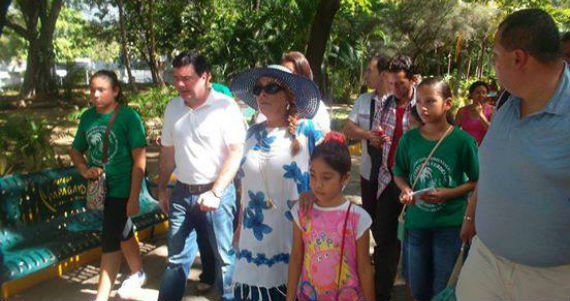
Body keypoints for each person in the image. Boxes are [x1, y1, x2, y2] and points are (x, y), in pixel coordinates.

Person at [457, 9, 570, 301]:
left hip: (550, 280)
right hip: (485, 260)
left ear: (518, 58)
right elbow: (495, 167)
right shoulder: (507, 99)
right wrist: (470, 216)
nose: (493, 65)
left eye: (495, 56)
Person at [157, 52, 246, 301]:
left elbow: (236, 151)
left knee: (225, 260)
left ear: (206, 77)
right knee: (175, 261)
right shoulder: (173, 108)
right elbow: (167, 151)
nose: (180, 85)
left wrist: (216, 191)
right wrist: (162, 187)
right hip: (182, 194)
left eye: (187, 78)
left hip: (217, 194)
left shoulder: (225, 107)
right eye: (176, 78)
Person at [229, 64, 323, 301]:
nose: (262, 94)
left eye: (271, 87)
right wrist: (240, 225)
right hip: (254, 237)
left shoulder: (308, 131)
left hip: (295, 237)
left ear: (288, 96)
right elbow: (245, 188)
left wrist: (316, 196)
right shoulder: (251, 134)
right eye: (259, 89)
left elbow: (332, 176)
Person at [394, 78, 479, 300]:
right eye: (419, 102)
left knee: (443, 289)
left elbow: (477, 181)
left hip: (450, 227)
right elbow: (399, 172)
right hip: (416, 226)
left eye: (430, 101)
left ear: (447, 103)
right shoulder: (409, 140)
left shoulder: (463, 141)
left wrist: (447, 194)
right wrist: (405, 190)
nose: (423, 108)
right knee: (417, 287)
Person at [70, 70, 147, 301]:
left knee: (111, 239)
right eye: (92, 89)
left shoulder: (128, 117)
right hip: (99, 189)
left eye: (101, 89)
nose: (95, 94)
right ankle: (138, 273)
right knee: (123, 233)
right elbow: (75, 149)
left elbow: (139, 160)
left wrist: (134, 197)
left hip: (122, 188)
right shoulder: (87, 117)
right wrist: (84, 169)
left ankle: (101, 297)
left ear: (115, 91)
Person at [286, 132, 374, 301]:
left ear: (345, 178)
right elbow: (296, 257)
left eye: (326, 177)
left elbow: (364, 267)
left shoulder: (358, 218)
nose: (318, 184)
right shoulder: (302, 211)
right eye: (312, 175)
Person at [371, 54, 417, 301]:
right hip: (388, 181)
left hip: (414, 185)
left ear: (413, 79)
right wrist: (377, 138)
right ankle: (382, 291)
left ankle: (413, 290)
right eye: (391, 84)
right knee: (384, 237)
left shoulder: (424, 104)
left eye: (400, 83)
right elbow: (379, 133)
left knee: (412, 240)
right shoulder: (386, 103)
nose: (395, 89)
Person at [342, 54, 392, 231]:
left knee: (388, 223)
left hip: (393, 176)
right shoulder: (363, 101)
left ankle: (384, 257)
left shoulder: (397, 103)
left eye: (370, 71)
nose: (366, 76)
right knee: (369, 217)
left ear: (384, 74)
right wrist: (367, 135)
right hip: (367, 171)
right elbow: (348, 129)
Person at [255, 51, 331, 133]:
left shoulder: (318, 112)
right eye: (281, 73)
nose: (285, 79)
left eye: (291, 74)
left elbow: (325, 139)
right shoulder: (267, 112)